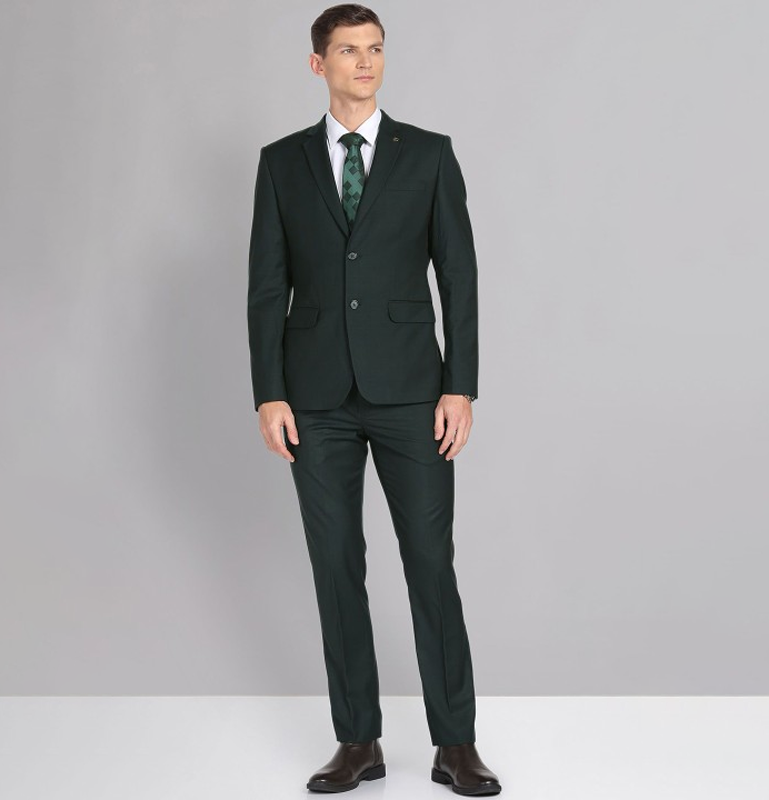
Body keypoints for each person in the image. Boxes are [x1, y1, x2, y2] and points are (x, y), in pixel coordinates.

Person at [247, 3, 501, 795]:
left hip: (412, 394)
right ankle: (357, 741)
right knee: (335, 566)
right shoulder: (282, 163)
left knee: (430, 561)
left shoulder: (428, 155)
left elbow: (459, 275)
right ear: (317, 64)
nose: (365, 61)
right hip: (314, 399)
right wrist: (269, 394)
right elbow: (266, 286)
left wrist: (460, 384)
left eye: (376, 48)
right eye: (349, 50)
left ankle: (455, 745)